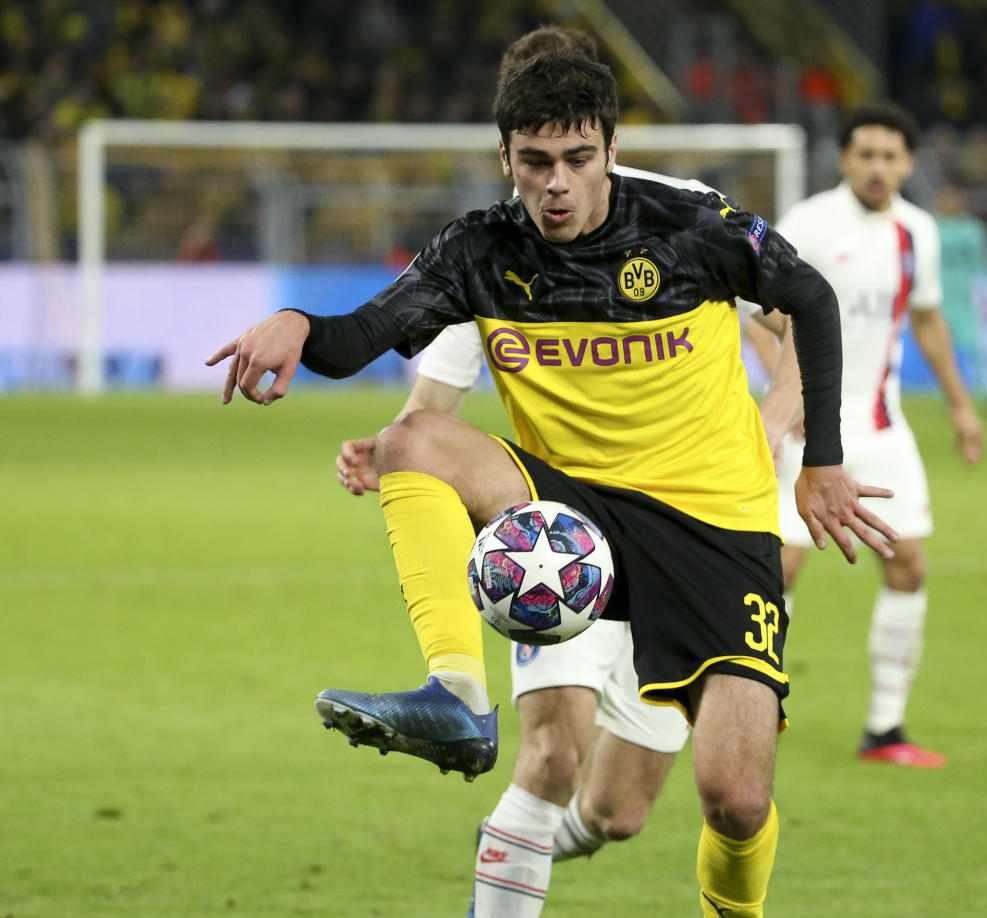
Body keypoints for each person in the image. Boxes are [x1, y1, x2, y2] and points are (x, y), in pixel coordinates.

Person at [208, 49, 896, 917]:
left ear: (609, 147)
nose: (556, 185)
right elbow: (364, 334)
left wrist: (822, 461)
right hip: (569, 520)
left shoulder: (691, 228)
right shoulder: (481, 250)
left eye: (576, 159)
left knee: (735, 799)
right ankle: (456, 697)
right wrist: (297, 324)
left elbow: (812, 298)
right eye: (535, 163)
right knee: (411, 439)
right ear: (506, 158)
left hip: (714, 524)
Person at [745, 101, 984, 768]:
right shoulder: (810, 225)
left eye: (890, 156)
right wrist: (784, 403)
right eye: (866, 155)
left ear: (908, 163)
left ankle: (885, 728)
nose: (878, 168)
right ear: (845, 160)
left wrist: (960, 406)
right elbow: (758, 313)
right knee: (780, 568)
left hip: (883, 427)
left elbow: (928, 322)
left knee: (907, 563)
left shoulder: (919, 233)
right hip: (807, 426)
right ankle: (750, 711)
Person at [935, 184, 987, 407]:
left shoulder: (973, 229)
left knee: (976, 348)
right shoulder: (932, 227)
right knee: (942, 350)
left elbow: (983, 262)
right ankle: (948, 396)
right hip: (938, 299)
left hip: (965, 299)